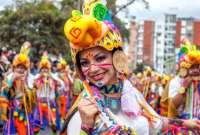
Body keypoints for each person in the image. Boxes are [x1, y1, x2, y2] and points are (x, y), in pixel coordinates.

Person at [61, 1, 200, 135]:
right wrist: (86, 127)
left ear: (117, 57)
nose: (93, 69)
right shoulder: (85, 108)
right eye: (85, 63)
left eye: (100, 58)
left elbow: (156, 122)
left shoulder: (131, 92)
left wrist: (186, 123)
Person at [1, 43, 35, 135]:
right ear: (14, 67)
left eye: (23, 68)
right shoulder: (9, 77)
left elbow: (33, 96)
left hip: (23, 112)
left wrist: (26, 87)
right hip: (11, 111)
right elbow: (4, 92)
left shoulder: (30, 78)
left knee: (24, 131)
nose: (21, 70)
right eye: (19, 67)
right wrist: (12, 80)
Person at [33, 52, 64, 134]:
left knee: (53, 122)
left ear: (49, 69)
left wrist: (51, 77)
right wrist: (39, 79)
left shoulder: (53, 77)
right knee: (37, 122)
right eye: (43, 68)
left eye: (46, 68)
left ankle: (54, 132)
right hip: (39, 103)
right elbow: (32, 85)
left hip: (50, 103)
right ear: (40, 69)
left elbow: (62, 85)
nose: (44, 70)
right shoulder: (37, 77)